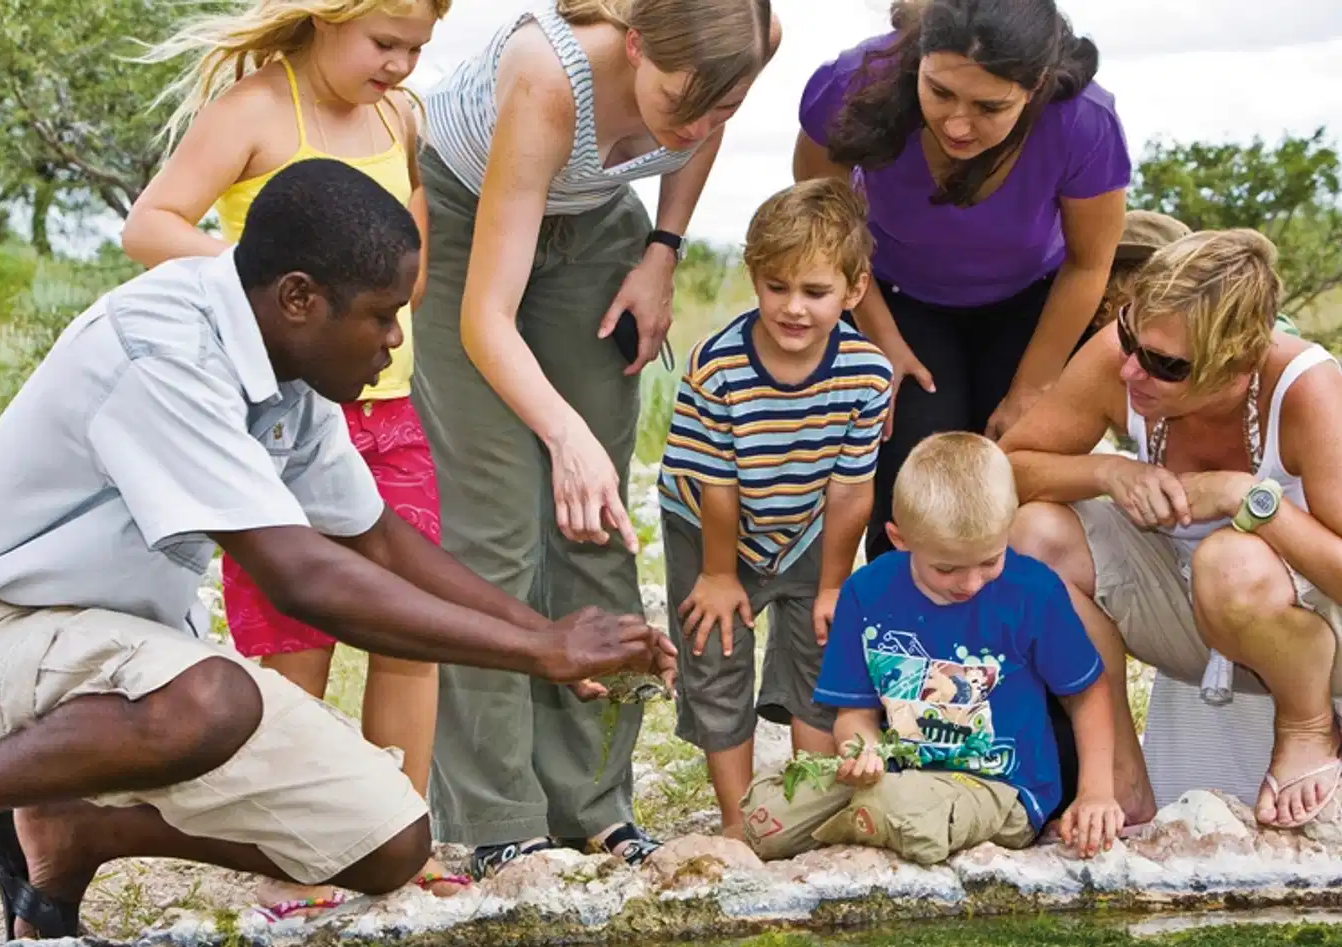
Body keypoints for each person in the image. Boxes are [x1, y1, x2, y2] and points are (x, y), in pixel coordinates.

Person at [0, 160, 674, 947]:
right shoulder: (161, 348)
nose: (394, 342)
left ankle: (77, 833)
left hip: (117, 673)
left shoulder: (290, 370)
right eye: (380, 317)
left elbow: (373, 538)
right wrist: (537, 650)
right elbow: (302, 577)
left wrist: (545, 635)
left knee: (389, 841)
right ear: (300, 298)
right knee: (215, 698)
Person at [412, 0, 782, 878]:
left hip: (599, 224)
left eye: (720, 110)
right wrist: (563, 432)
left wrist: (663, 251)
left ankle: (593, 803)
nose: (693, 127)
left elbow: (702, 135)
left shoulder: (749, 39)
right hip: (468, 226)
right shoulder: (551, 71)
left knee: (593, 517)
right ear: (637, 45)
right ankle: (498, 814)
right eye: (679, 101)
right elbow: (484, 320)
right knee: (495, 522)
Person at [120, 0, 465, 907]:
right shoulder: (253, 111)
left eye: (416, 49)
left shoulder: (399, 117)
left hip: (387, 412)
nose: (400, 66)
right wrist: (254, 289)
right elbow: (149, 225)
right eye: (386, 44)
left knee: (412, 630)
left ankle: (403, 831)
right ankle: (306, 851)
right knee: (294, 638)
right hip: (280, 420)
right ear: (326, 17)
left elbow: (415, 260)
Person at [1003, 228, 1342, 830]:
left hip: (1311, 634)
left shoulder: (1307, 388)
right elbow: (1007, 471)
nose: (1132, 368)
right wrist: (1108, 470)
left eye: (1165, 365)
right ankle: (1124, 781)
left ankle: (1309, 725)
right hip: (1192, 621)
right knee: (1034, 536)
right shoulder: (1120, 359)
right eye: (1132, 336)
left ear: (1238, 363)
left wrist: (1253, 499)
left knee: (1229, 559)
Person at [793, 0, 1129, 563]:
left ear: (1035, 87)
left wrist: (1034, 387)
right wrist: (879, 334)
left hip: (1033, 303)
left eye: (988, 105)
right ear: (918, 62)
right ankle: (901, 632)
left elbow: (1089, 262)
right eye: (940, 91)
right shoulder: (854, 81)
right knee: (913, 463)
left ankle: (1006, 634)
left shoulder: (1084, 121)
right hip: (895, 295)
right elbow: (824, 214)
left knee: (1006, 471)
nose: (956, 123)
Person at [739, 433, 1122, 865]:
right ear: (899, 538)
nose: (972, 583)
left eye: (990, 561)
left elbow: (1088, 692)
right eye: (947, 568)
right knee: (764, 818)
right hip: (896, 776)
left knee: (902, 813)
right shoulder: (867, 592)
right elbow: (854, 716)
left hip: (1000, 788)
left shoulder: (1033, 591)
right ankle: (864, 820)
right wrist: (859, 750)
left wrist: (1095, 793)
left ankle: (864, 823)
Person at [656, 179, 893, 840]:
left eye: (815, 292)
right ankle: (738, 820)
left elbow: (850, 488)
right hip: (705, 518)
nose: (793, 308)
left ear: (854, 290)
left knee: (819, 647)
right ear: (754, 277)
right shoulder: (717, 369)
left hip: (810, 521)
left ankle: (806, 809)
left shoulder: (868, 374)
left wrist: (832, 584)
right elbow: (717, 483)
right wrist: (720, 572)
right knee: (716, 643)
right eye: (776, 286)